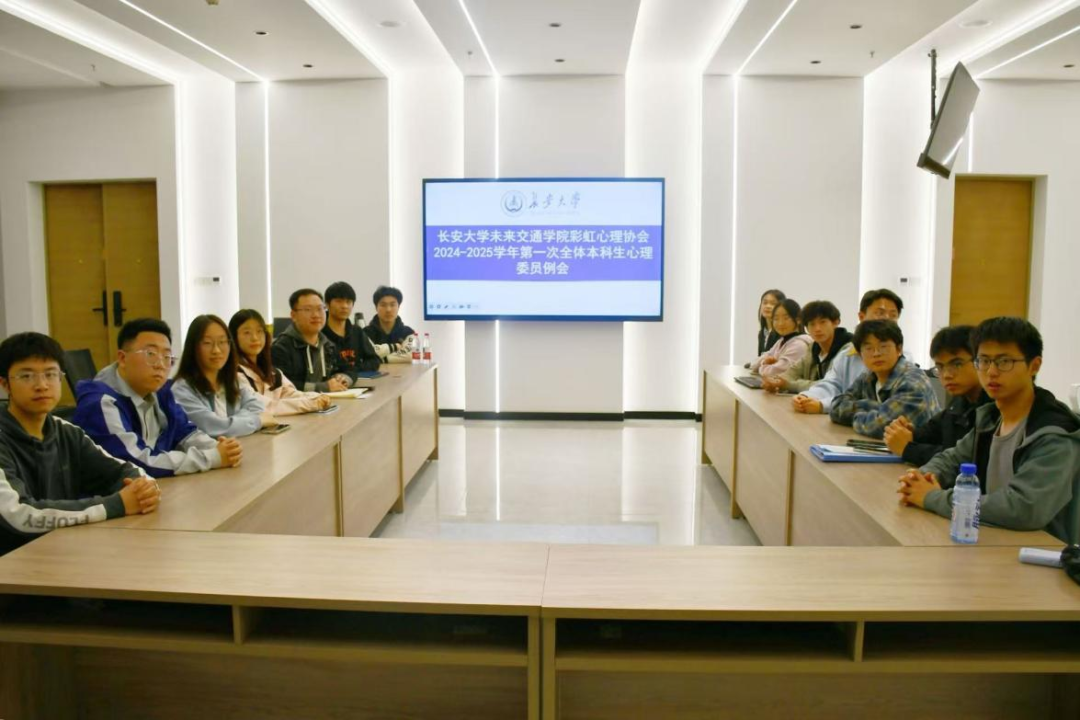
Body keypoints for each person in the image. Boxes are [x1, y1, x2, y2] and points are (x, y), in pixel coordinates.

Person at [899, 318, 1080, 543]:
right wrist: (920, 478)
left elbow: (1024, 508)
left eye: (1004, 361)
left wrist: (932, 497)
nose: (991, 372)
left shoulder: (1054, 432)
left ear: (1034, 366)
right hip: (998, 541)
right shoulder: (990, 418)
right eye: (984, 361)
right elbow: (951, 459)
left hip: (1048, 553)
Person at [0, 333, 161, 556]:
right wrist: (117, 504)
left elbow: (124, 471)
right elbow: (18, 515)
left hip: (61, 552)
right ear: (5, 384)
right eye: (26, 376)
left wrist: (143, 490)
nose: (42, 385)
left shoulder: (66, 431)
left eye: (51, 374)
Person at [72, 318, 243, 477]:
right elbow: (136, 462)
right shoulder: (101, 403)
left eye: (167, 357)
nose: (160, 365)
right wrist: (212, 457)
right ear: (123, 358)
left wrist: (220, 448)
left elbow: (185, 432)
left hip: (155, 487)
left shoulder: (161, 392)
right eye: (151, 354)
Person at [884, 325, 992, 465]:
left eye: (957, 364)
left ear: (980, 361)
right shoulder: (959, 402)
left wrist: (909, 449)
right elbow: (932, 433)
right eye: (940, 367)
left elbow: (964, 459)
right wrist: (909, 433)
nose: (946, 375)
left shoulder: (994, 407)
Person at [792, 288, 904, 415]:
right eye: (880, 313)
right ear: (861, 316)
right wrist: (808, 396)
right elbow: (831, 384)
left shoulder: (900, 358)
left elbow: (873, 404)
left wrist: (823, 405)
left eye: (893, 315)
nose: (887, 319)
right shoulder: (847, 355)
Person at [829, 320, 941, 438]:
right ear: (860, 354)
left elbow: (882, 426)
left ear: (899, 349)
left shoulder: (913, 381)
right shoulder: (868, 376)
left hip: (921, 449)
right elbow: (836, 407)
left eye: (883, 347)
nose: (876, 353)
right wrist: (876, 408)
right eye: (869, 348)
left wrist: (860, 412)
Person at [172, 315, 274, 438]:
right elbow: (212, 427)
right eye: (207, 343)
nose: (216, 350)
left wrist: (230, 425)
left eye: (222, 342)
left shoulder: (233, 381)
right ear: (193, 347)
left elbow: (258, 408)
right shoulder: (182, 390)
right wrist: (256, 421)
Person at [229, 309, 332, 416]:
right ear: (233, 337)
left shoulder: (273, 373)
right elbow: (265, 407)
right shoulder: (234, 374)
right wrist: (311, 404)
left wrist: (316, 397)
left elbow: (290, 394)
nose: (255, 338)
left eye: (259, 331)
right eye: (247, 333)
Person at [272, 289, 353, 392]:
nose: (316, 315)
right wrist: (322, 387)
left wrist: (343, 378)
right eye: (308, 309)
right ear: (293, 315)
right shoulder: (281, 348)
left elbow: (350, 369)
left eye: (320, 309)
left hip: (327, 400)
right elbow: (280, 384)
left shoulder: (328, 345)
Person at [763, 300, 852, 394]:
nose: (817, 329)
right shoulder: (814, 348)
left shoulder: (848, 350)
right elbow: (793, 372)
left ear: (836, 322)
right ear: (806, 327)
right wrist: (776, 382)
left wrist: (788, 385)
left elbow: (831, 385)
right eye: (812, 324)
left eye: (823, 322)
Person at [323, 281, 382, 374]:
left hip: (355, 381)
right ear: (327, 304)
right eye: (339, 301)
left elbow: (374, 361)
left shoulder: (356, 331)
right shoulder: (319, 333)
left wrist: (352, 372)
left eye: (348, 302)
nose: (344, 306)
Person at [748, 299, 811, 378]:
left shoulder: (799, 345)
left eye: (786, 318)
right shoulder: (781, 341)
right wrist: (767, 362)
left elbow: (774, 372)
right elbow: (754, 365)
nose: (780, 323)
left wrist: (763, 364)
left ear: (798, 319)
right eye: (776, 319)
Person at [364, 285, 416, 363]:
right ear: (376, 307)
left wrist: (380, 359)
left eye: (392, 305)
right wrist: (395, 348)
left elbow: (409, 355)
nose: (388, 309)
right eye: (383, 305)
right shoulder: (365, 333)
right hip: (373, 371)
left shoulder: (407, 332)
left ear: (398, 307)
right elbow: (366, 354)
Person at [755, 289, 786, 356]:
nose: (768, 306)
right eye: (765, 303)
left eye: (773, 304)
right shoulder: (762, 333)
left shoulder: (783, 332)